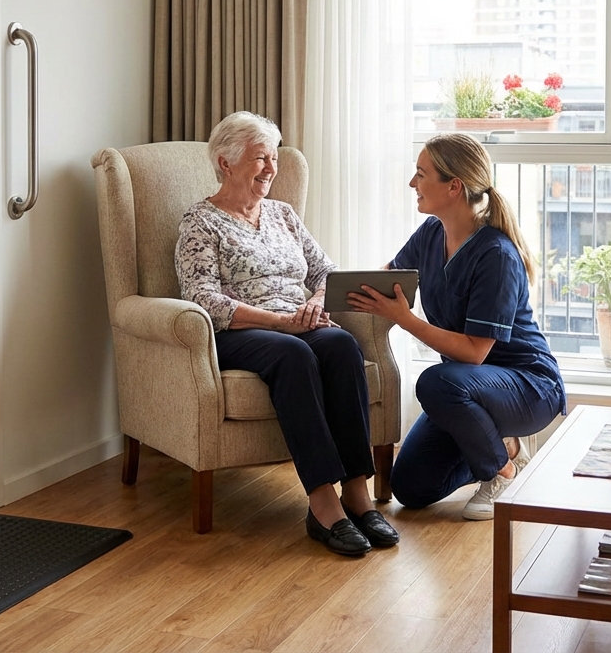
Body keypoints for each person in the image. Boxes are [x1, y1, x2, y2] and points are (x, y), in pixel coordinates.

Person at [174, 110, 399, 556]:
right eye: (261, 158)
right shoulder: (199, 222)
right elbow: (203, 299)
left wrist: (317, 302)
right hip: (242, 331)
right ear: (226, 162)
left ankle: (356, 492)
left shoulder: (283, 215)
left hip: (298, 321)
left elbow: (325, 271)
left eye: (273, 158)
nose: (271, 169)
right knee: (293, 355)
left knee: (339, 344)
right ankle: (322, 505)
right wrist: (279, 321)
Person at [345, 132, 566, 520]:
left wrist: (405, 319)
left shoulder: (496, 254)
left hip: (528, 386)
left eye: (420, 174)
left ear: (454, 187)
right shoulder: (431, 234)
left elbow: (472, 352)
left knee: (434, 381)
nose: (412, 184)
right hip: (467, 389)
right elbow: (385, 278)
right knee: (411, 487)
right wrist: (322, 296)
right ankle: (506, 446)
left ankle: (500, 471)